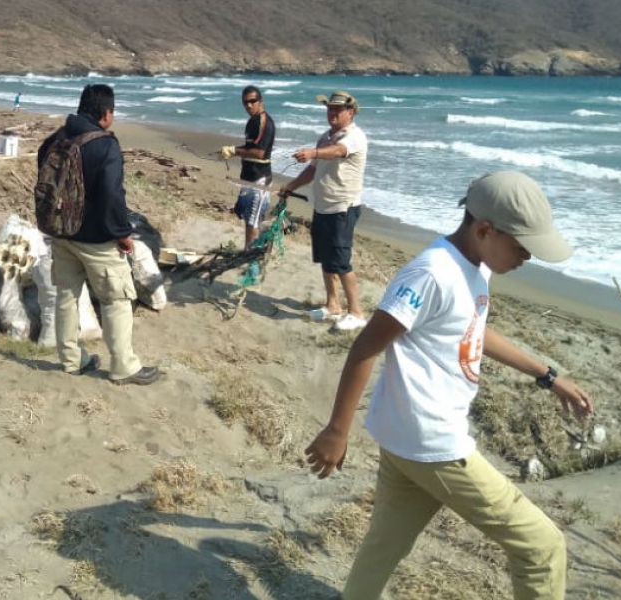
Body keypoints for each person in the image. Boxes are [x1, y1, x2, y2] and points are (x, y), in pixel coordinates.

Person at [304, 171, 595, 600]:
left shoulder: (476, 265)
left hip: (403, 438)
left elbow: (472, 329)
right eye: (522, 247)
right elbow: (366, 345)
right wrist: (336, 431)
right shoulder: (431, 272)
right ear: (484, 230)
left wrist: (547, 376)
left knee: (384, 548)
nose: (527, 258)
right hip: (432, 440)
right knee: (542, 546)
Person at [38, 84, 160, 386]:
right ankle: (123, 367)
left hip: (61, 234)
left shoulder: (56, 139)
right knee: (117, 298)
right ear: (106, 113)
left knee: (66, 297)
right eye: (112, 112)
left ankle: (71, 360)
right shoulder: (105, 146)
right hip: (96, 240)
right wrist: (122, 233)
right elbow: (112, 196)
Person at [279, 90, 368, 330]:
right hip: (322, 206)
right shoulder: (324, 137)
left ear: (350, 113)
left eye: (338, 110)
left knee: (341, 261)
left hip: (343, 207)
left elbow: (339, 152)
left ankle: (357, 313)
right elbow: (312, 170)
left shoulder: (355, 137)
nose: (332, 113)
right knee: (326, 259)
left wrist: (313, 152)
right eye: (330, 109)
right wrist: (290, 186)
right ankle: (333, 306)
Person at [220, 86, 275, 248]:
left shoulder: (265, 122)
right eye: (245, 102)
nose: (249, 105)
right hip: (248, 178)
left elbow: (259, 153)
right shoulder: (252, 121)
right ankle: (249, 252)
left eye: (253, 101)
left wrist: (234, 151)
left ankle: (252, 261)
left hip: (259, 180)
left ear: (261, 102)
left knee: (254, 222)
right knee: (249, 218)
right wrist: (232, 151)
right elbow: (249, 146)